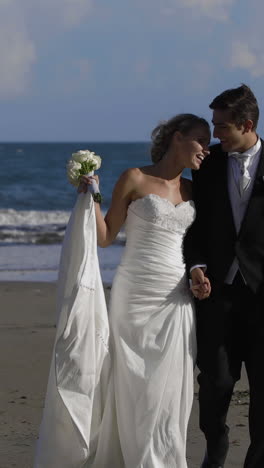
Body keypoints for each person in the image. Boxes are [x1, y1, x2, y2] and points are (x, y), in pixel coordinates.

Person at [34, 113, 210, 468]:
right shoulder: (135, 177)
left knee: (171, 390)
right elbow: (105, 237)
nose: (206, 149)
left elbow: (197, 247)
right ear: (178, 137)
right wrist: (91, 195)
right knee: (134, 387)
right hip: (134, 296)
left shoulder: (193, 189)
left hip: (176, 299)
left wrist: (198, 273)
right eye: (201, 140)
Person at [184, 84, 264, 468]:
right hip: (217, 296)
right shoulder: (208, 164)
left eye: (222, 126)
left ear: (246, 124)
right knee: (214, 386)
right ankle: (215, 452)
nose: (214, 134)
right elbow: (193, 226)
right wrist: (196, 265)